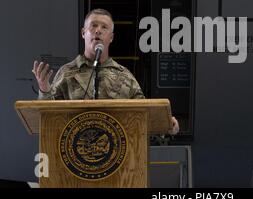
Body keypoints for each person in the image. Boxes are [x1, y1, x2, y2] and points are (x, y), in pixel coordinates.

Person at [32, 8, 179, 135]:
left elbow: (143, 115)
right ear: (84, 33)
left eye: (104, 27)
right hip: (74, 155)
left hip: (117, 158)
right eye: (93, 26)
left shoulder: (124, 76)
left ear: (111, 37)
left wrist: (166, 124)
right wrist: (44, 89)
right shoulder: (67, 72)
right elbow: (48, 117)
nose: (98, 30)